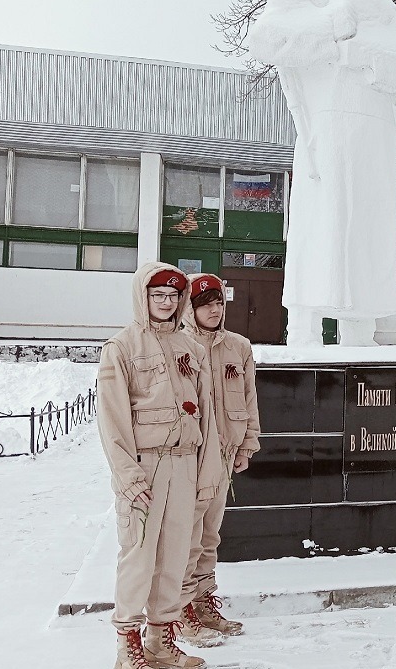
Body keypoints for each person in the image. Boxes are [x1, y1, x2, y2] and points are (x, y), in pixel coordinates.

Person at [247, 0, 396, 346]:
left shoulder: (386, 11)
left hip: (375, 133)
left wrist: (364, 57)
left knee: (367, 230)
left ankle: (360, 338)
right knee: (322, 225)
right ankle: (304, 333)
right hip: (327, 127)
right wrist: (329, 27)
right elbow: (265, 39)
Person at [98, 263, 223, 669]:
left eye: (173, 296)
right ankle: (128, 644)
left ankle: (160, 641)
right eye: (158, 296)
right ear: (143, 297)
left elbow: (208, 416)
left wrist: (207, 474)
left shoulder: (191, 349)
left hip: (185, 465)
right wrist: (128, 478)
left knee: (174, 557)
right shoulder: (121, 348)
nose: (167, 303)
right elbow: (113, 421)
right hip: (145, 468)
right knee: (138, 555)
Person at [175, 275, 261, 646]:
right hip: (190, 457)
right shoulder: (178, 345)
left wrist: (247, 445)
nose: (214, 310)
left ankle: (204, 601)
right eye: (205, 303)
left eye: (219, 303)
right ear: (190, 308)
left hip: (224, 456)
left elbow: (249, 398)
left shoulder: (238, 347)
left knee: (210, 536)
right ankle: (180, 611)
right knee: (186, 538)